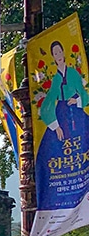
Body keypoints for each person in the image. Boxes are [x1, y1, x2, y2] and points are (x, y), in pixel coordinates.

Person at [35, 40, 89, 211]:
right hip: (61, 115)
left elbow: (85, 95)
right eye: (55, 53)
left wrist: (77, 100)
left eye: (60, 52)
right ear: (53, 57)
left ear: (64, 53)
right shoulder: (55, 79)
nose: (58, 56)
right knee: (48, 156)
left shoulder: (73, 73)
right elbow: (47, 105)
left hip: (77, 114)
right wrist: (55, 125)